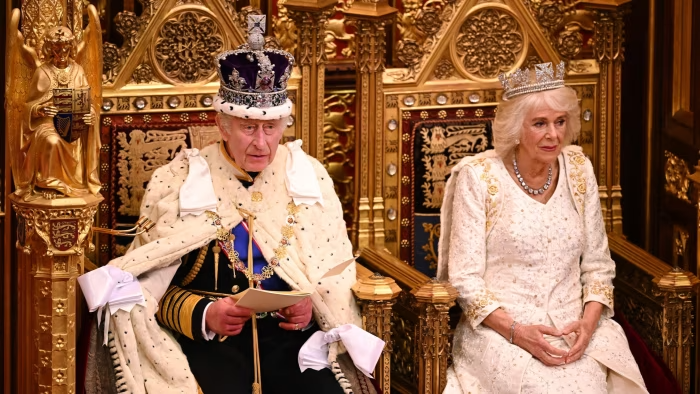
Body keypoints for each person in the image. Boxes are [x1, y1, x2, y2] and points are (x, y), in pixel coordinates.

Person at [79, 15, 380, 394]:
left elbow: (330, 280)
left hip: (291, 343)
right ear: (223, 125)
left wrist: (308, 311)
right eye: (248, 128)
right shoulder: (180, 182)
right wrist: (206, 315)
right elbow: (146, 292)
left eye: (270, 128)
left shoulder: (308, 176)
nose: (261, 143)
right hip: (208, 343)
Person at [437, 62, 648, 393]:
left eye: (560, 121)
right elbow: (464, 279)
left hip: (576, 329)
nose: (553, 135)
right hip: (501, 332)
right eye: (540, 123)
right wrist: (519, 332)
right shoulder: (478, 178)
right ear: (514, 128)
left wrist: (588, 325)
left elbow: (598, 266)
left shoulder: (579, 169)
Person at [20, 26, 101, 199]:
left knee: (73, 138)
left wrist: (90, 114)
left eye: (66, 48)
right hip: (47, 124)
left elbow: (87, 101)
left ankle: (75, 183)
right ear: (50, 49)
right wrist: (39, 109)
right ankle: (49, 184)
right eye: (57, 49)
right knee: (52, 141)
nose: (62, 53)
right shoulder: (42, 72)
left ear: (71, 48)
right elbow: (28, 106)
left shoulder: (78, 70)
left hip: (73, 124)